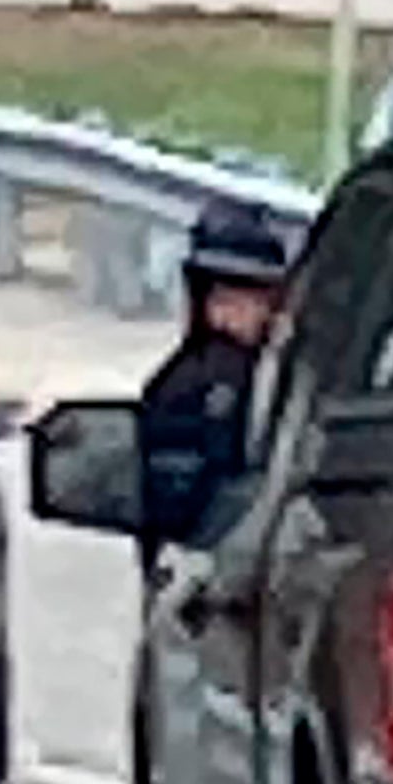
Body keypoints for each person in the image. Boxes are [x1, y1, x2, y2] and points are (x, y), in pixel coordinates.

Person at [130, 204, 299, 574]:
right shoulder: (184, 380)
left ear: (274, 305)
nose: (225, 317)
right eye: (219, 299)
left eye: (245, 301)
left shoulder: (297, 376)